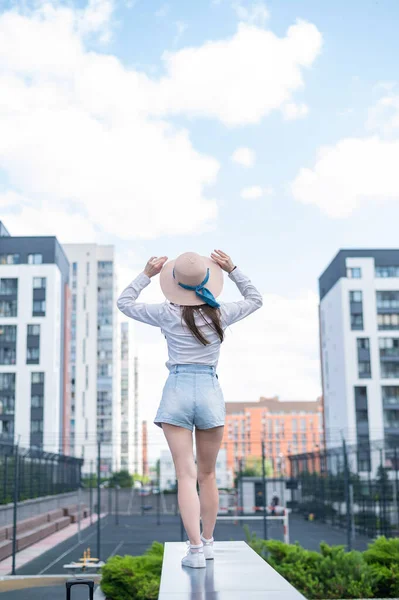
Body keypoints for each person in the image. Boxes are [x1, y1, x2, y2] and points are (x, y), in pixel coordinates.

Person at [116, 249, 263, 568]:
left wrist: (145, 274)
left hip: (177, 390)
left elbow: (124, 303)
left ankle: (194, 551)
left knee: (186, 475)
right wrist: (234, 269)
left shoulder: (166, 313)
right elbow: (255, 298)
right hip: (209, 390)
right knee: (208, 475)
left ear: (174, 283)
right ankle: (209, 544)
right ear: (209, 278)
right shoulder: (221, 312)